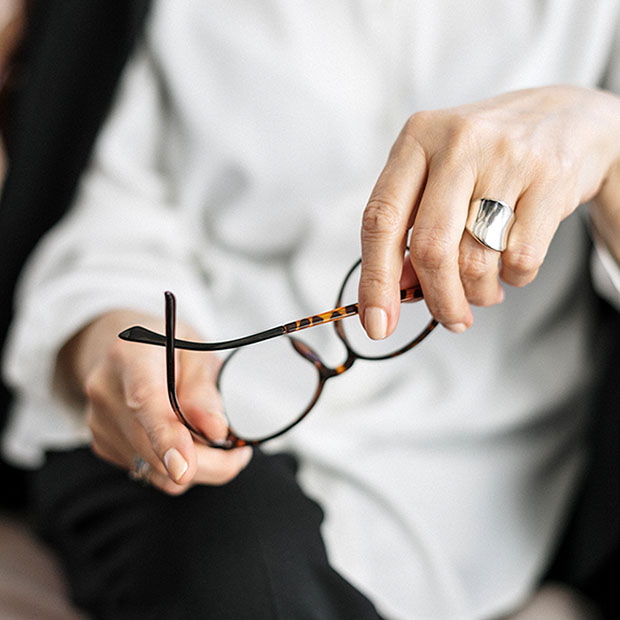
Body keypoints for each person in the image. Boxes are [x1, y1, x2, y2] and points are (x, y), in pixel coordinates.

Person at [2, 1, 620, 618]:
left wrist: (607, 144)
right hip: (194, 452)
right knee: (238, 561)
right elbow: (113, 218)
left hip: (486, 489)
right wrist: (110, 340)